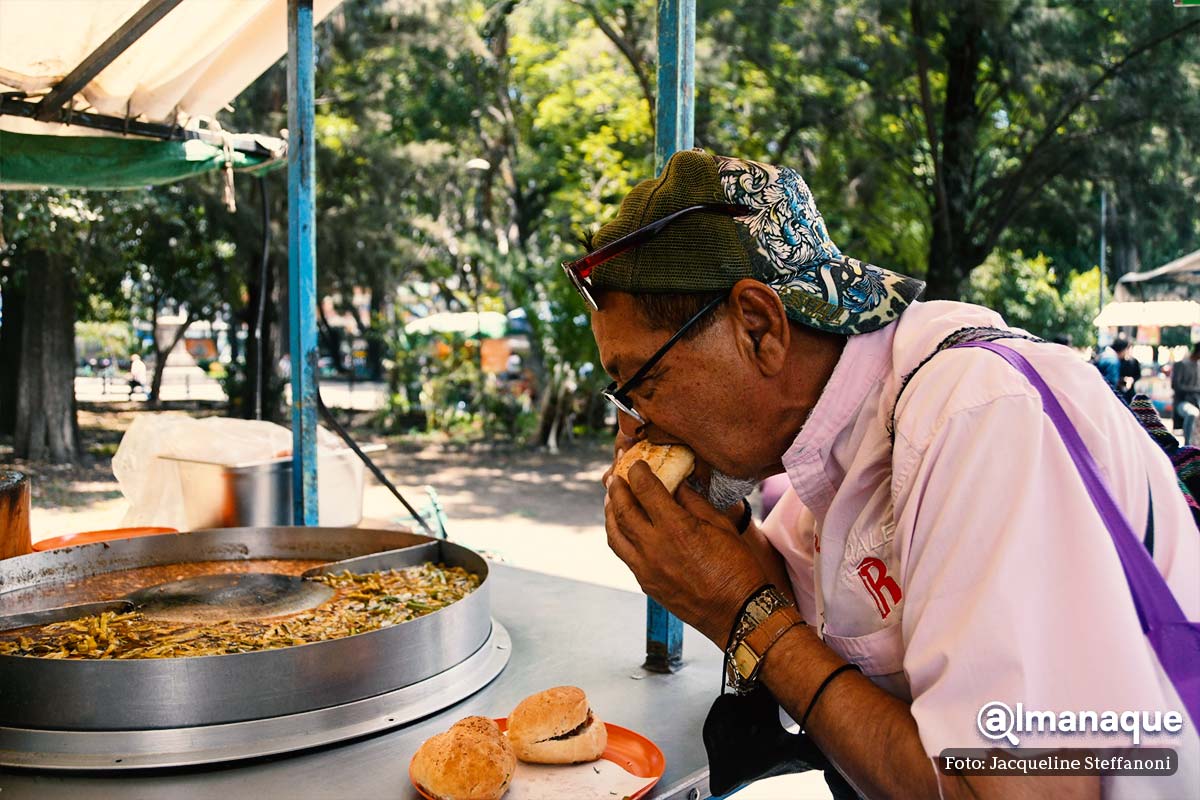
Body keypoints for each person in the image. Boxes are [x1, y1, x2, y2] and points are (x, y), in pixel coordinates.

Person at [570, 149, 1198, 798]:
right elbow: (784, 586)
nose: (635, 427)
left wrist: (745, 616)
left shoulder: (972, 416)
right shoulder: (836, 441)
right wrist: (708, 533)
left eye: (639, 383)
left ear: (759, 327)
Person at [1171, 343, 1200, 445]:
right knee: (1192, 413)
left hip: (1196, 402)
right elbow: (1176, 386)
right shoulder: (1181, 364)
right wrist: (1196, 390)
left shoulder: (1198, 365)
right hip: (1183, 402)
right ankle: (1188, 447)